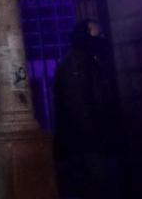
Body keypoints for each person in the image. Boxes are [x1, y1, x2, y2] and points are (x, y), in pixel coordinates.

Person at [52, 19, 122, 199]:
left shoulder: (90, 62)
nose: (102, 38)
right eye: (98, 34)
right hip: (88, 145)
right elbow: (78, 106)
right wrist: (98, 137)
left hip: (92, 143)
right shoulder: (77, 65)